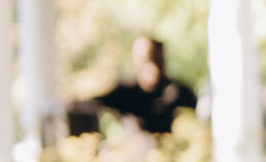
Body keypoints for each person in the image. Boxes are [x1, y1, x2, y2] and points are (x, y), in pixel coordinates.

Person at [66, 34, 196, 138]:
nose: (152, 64)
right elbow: (97, 102)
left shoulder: (179, 93)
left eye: (155, 57)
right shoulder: (125, 92)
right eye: (146, 58)